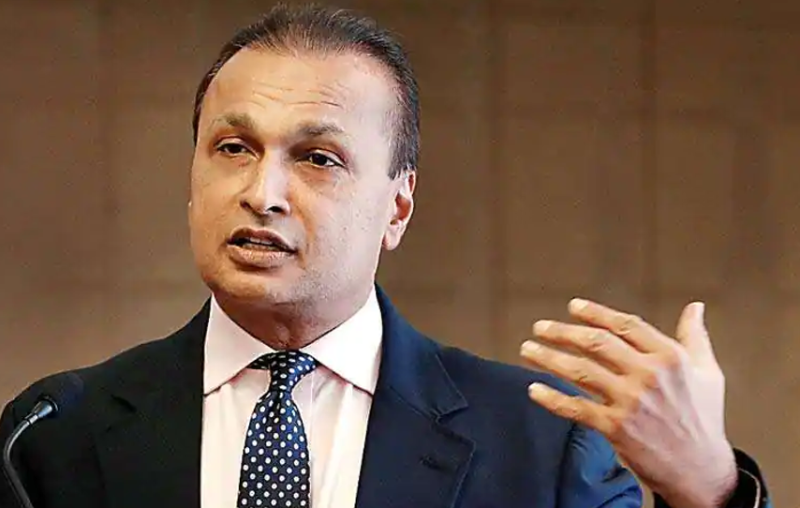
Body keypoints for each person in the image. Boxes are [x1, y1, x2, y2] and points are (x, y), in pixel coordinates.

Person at [0, 4, 770, 508]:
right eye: (233, 148)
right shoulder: (52, 434)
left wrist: (711, 490)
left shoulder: (538, 448)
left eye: (318, 159)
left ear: (397, 207)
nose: (262, 193)